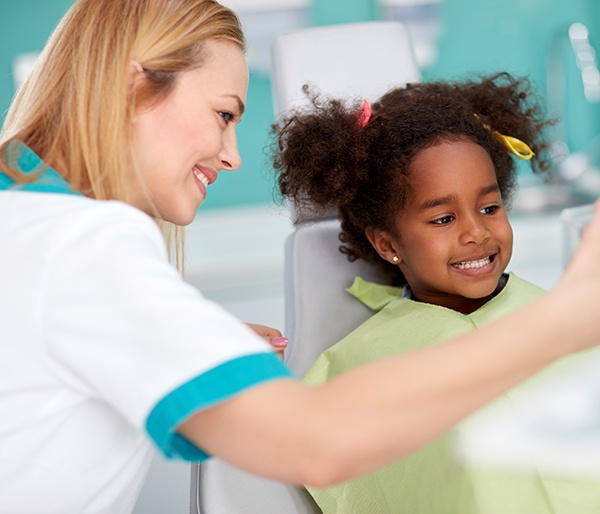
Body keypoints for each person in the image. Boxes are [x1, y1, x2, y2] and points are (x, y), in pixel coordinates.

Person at [1, 1, 600, 513]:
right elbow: (317, 442)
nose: (231, 155)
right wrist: (564, 319)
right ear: (136, 85)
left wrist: (156, 333)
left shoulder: (34, 231)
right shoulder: (82, 248)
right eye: (224, 114)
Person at [272, 74, 600, 513]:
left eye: (489, 207)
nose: (476, 232)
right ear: (387, 244)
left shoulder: (562, 316)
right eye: (443, 219)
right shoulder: (357, 367)